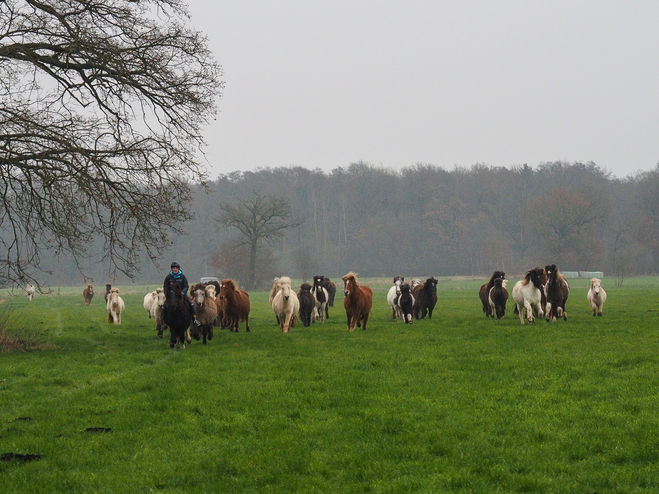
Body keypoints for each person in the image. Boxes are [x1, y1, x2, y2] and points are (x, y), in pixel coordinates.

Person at [163, 261, 200, 327]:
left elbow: (186, 286)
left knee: (191, 304)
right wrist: (166, 293)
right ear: (172, 269)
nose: (175, 269)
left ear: (178, 269)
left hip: (181, 295)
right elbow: (165, 286)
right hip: (172, 295)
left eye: (176, 268)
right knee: (164, 306)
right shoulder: (168, 277)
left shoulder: (182, 277)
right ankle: (164, 322)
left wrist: (183, 293)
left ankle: (194, 319)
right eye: (173, 268)